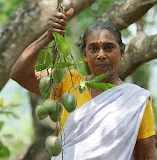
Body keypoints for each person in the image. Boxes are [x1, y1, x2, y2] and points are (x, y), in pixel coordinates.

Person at [10, 8, 157, 160]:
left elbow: (147, 156)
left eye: (109, 47)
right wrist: (48, 36)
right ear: (85, 55)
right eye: (93, 48)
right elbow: (19, 73)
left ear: (122, 53)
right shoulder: (68, 81)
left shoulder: (136, 99)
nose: (101, 55)